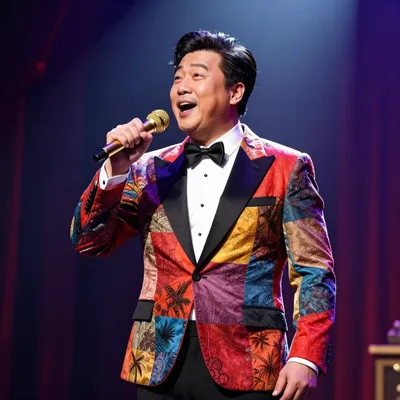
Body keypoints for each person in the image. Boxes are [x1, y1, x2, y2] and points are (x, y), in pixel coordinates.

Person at [70, 30, 336, 400]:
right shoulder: (148, 169)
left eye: (197, 75)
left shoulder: (285, 167)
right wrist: (115, 171)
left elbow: (314, 271)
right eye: (177, 77)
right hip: (158, 358)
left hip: (249, 360)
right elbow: (89, 241)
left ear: (235, 92)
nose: (181, 87)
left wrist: (306, 355)